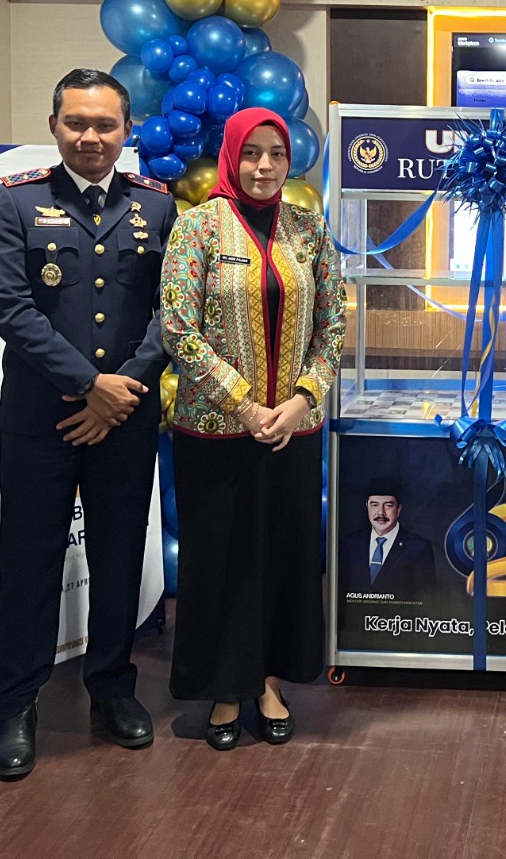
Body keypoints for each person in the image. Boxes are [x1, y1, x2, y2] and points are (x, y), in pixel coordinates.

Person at [0, 68, 177, 780]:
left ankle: (112, 689)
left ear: (127, 131)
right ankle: (16, 705)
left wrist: (120, 392)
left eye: (104, 125)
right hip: (42, 421)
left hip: (126, 417)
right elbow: (7, 303)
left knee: (119, 559)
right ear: (55, 126)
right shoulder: (17, 201)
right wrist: (89, 385)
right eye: (76, 123)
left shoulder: (157, 205)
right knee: (29, 563)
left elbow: (173, 310)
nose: (90, 137)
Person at [159, 107, 345, 751]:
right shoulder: (197, 228)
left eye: (276, 154)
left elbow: (333, 323)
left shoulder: (308, 229)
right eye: (251, 153)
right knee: (222, 563)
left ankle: (267, 681)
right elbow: (177, 327)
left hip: (293, 433)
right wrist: (243, 405)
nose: (264, 166)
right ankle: (224, 687)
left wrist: (301, 399)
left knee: (283, 560)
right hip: (217, 434)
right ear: (231, 156)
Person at [339, 479, 436, 601]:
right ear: (367, 506)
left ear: (399, 509)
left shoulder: (418, 547)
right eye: (374, 505)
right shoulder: (351, 543)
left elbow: (427, 599)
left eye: (388, 505)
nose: (381, 512)